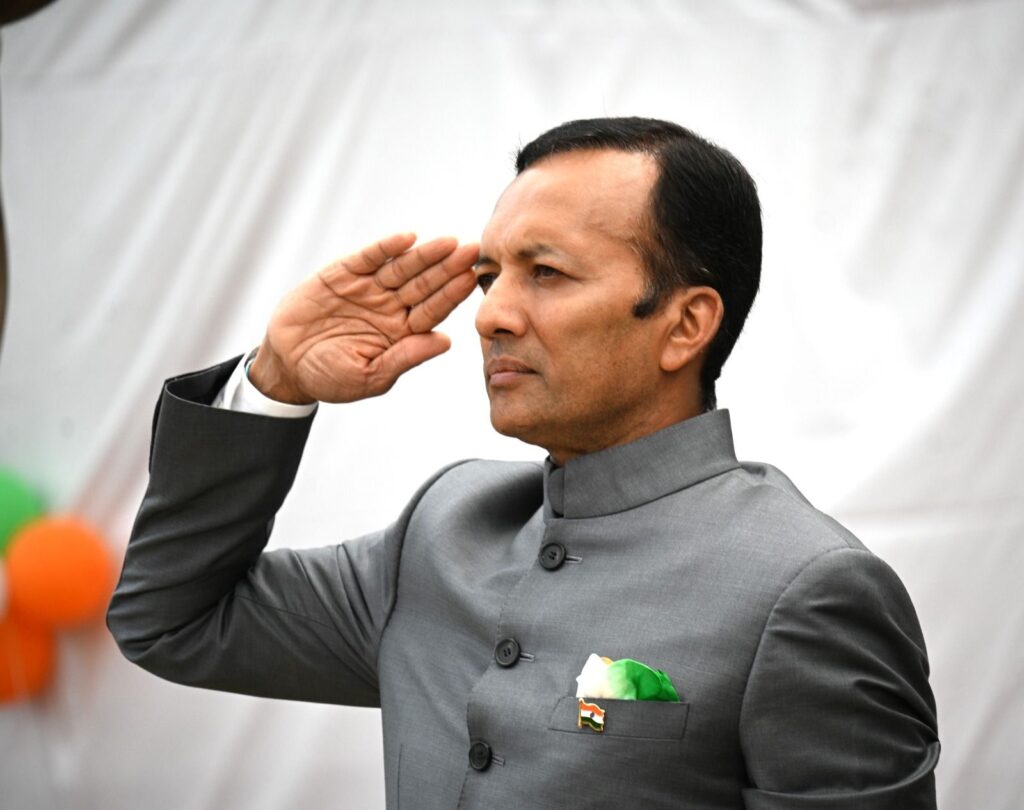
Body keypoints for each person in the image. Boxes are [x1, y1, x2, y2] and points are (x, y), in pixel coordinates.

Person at [108, 117, 939, 809]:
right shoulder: (445, 531)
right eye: (487, 277)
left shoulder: (805, 588)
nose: (491, 315)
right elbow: (171, 622)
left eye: (545, 272)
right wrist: (274, 384)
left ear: (686, 325)